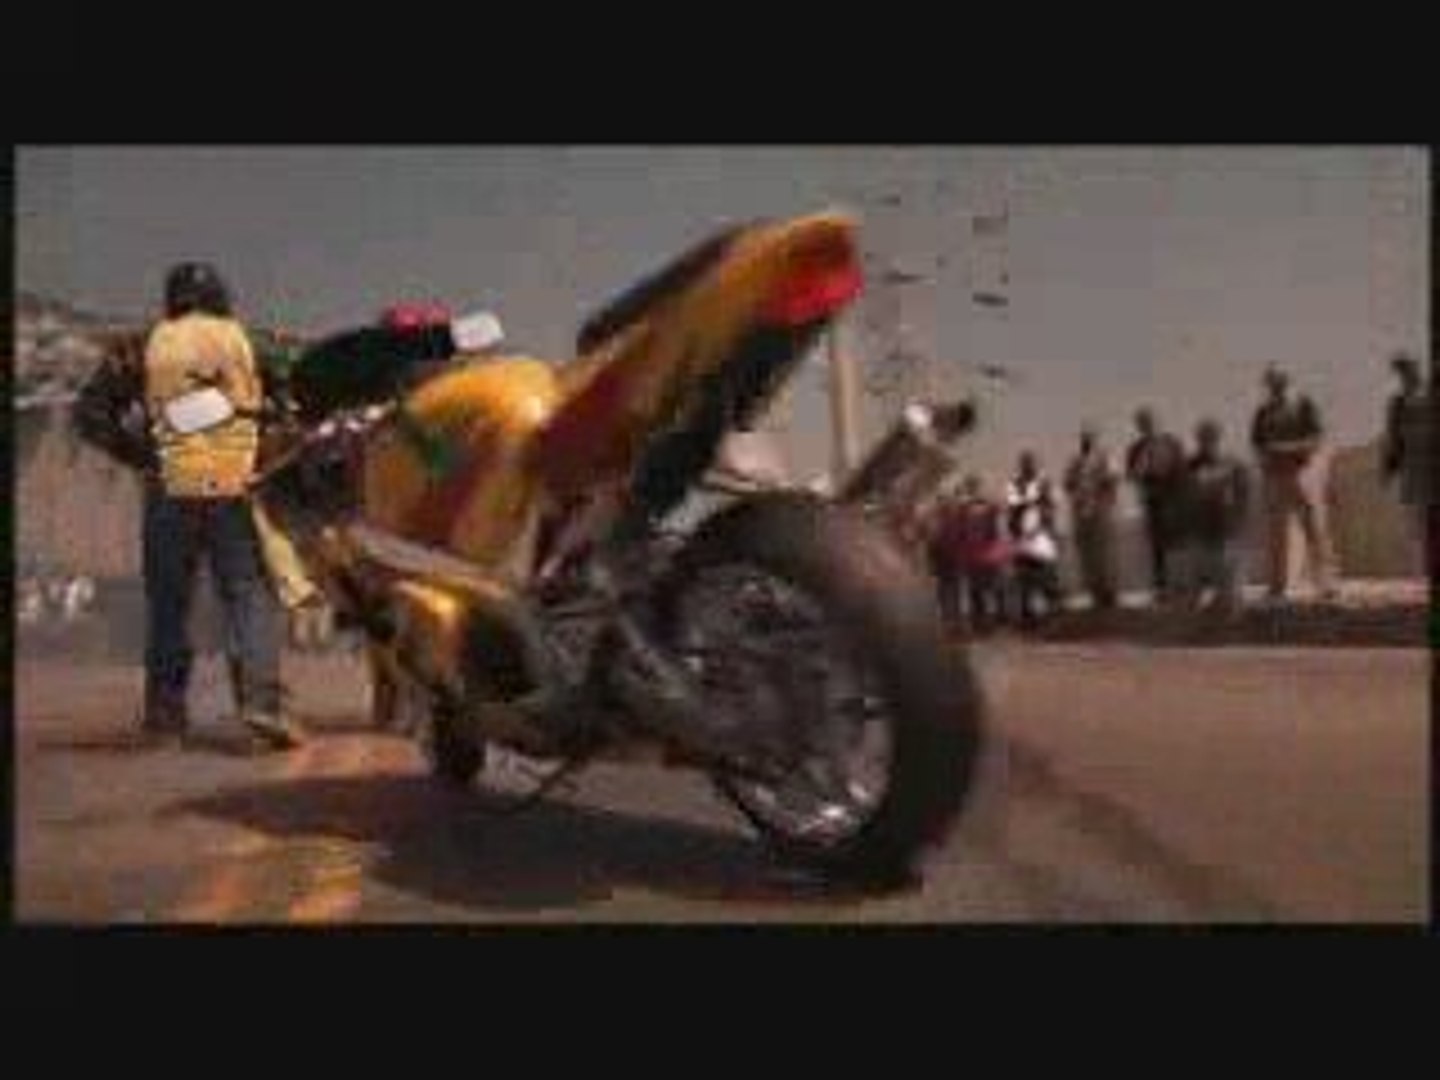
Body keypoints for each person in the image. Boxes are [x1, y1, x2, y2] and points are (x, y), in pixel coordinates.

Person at [136, 262, 304, 748]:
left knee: (169, 605)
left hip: (169, 487)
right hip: (233, 486)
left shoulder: (142, 345)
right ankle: (260, 706)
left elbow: (92, 414)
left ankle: (165, 716)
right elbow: (290, 399)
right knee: (247, 596)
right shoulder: (249, 342)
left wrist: (145, 454)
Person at [1249, 365, 1338, 601]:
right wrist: (1266, 458)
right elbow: (1257, 443)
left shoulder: (1302, 405)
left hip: (1301, 473)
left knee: (1313, 529)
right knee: (1276, 534)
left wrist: (1291, 449)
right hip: (1274, 476)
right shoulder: (1263, 412)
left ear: (1286, 382)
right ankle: (1277, 585)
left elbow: (1316, 436)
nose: (1274, 387)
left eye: (1278, 382)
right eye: (1271, 383)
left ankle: (1326, 583)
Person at [1174, 419, 1251, 615]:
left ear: (1218, 437)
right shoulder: (1188, 466)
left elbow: (1243, 495)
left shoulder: (1233, 464)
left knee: (1229, 592)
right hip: (1198, 531)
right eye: (1203, 436)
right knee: (1193, 591)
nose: (1206, 440)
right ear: (1197, 439)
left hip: (1226, 531)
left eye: (1210, 436)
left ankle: (1227, 612)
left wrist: (1238, 523)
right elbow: (1181, 498)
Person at [927, 474, 1010, 632]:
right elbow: (952, 534)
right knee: (969, 590)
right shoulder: (959, 510)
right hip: (964, 556)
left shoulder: (978, 508)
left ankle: (984, 620)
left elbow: (995, 525)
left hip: (979, 554)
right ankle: (968, 622)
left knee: (984, 589)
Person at [1125, 407, 1188, 603]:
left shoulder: (1172, 442)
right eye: (1143, 423)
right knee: (1157, 546)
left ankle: (1181, 585)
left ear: (1159, 422)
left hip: (1174, 501)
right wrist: (1142, 464)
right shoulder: (1136, 448)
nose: (1148, 427)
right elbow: (1131, 476)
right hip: (1152, 501)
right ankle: (1161, 587)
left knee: (1177, 544)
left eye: (1150, 422)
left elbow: (1183, 469)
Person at [1063, 424, 1121, 611]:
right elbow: (1067, 483)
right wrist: (1077, 488)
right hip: (1081, 513)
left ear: (1095, 439)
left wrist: (1101, 490)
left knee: (1104, 553)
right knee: (1087, 554)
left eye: (1089, 437)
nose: (1086, 441)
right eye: (1084, 438)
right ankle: (1094, 592)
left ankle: (1109, 592)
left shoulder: (1104, 456)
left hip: (1100, 511)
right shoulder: (1074, 460)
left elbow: (1113, 479)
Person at [1380, 352, 1430, 566]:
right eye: (1401, 371)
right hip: (1412, 466)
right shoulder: (1397, 402)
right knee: (1416, 523)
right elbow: (1393, 438)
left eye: (1407, 368)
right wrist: (1387, 468)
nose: (1406, 374)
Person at [1006, 451, 1063, 627]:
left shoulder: (1044, 482)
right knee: (1025, 578)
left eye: (1030, 462)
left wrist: (1048, 526)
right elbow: (1012, 507)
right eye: (1025, 463)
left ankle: (1051, 612)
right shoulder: (1015, 483)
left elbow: (1054, 504)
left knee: (1046, 575)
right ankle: (1028, 614)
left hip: (1041, 534)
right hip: (1023, 534)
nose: (1028, 466)